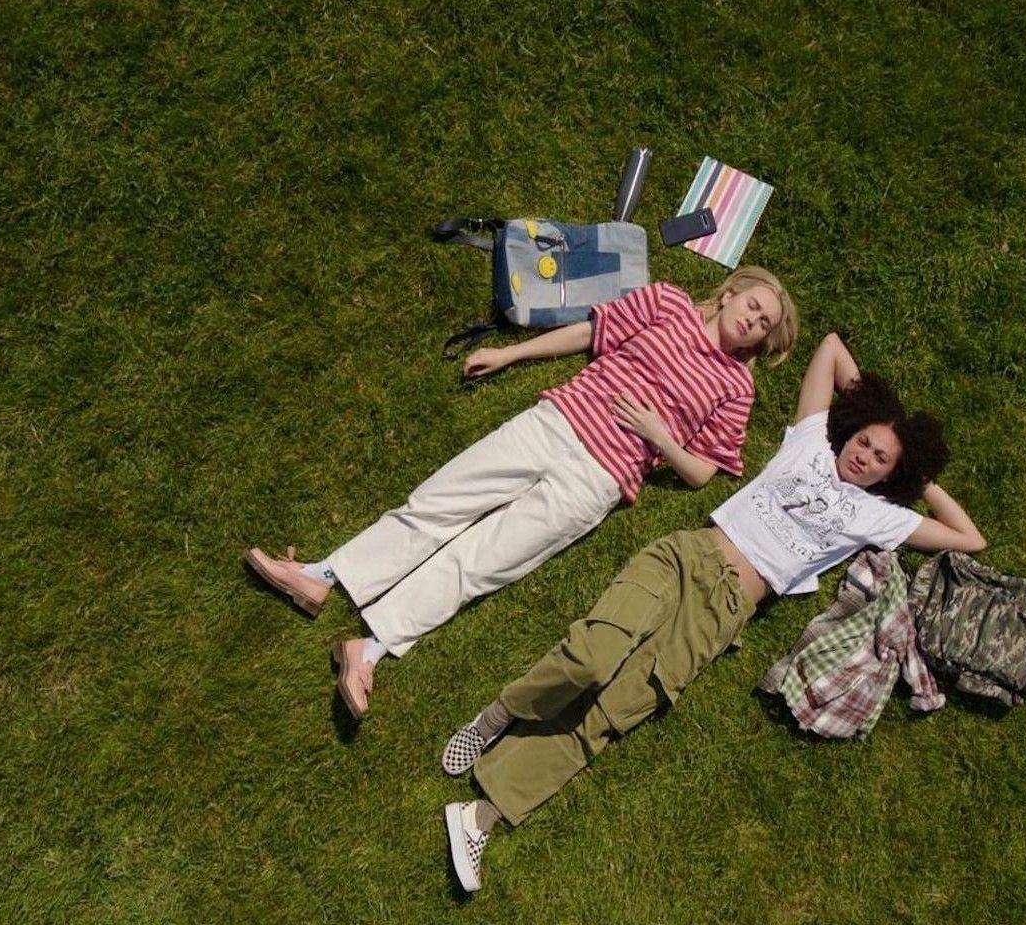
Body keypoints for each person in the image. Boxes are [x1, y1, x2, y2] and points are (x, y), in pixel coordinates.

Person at [438, 332, 986, 892]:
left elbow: (970, 538)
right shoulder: (811, 444)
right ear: (850, 430)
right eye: (864, 441)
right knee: (591, 658)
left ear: (890, 476)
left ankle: (480, 815)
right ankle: (499, 716)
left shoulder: (880, 517)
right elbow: (830, 348)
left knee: (611, 714)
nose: (863, 456)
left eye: (880, 459)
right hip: (689, 557)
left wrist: (917, 477)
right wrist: (877, 410)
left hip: (724, 612)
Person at [245, 268, 799, 719]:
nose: (753, 320)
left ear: (762, 340)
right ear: (729, 294)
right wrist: (511, 355)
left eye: (764, 325)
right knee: (440, 503)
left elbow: (703, 470)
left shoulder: (736, 386)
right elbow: (590, 332)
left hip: (597, 481)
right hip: (556, 423)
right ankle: (322, 577)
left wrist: (661, 438)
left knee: (485, 562)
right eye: (752, 305)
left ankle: (366, 652)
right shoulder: (668, 303)